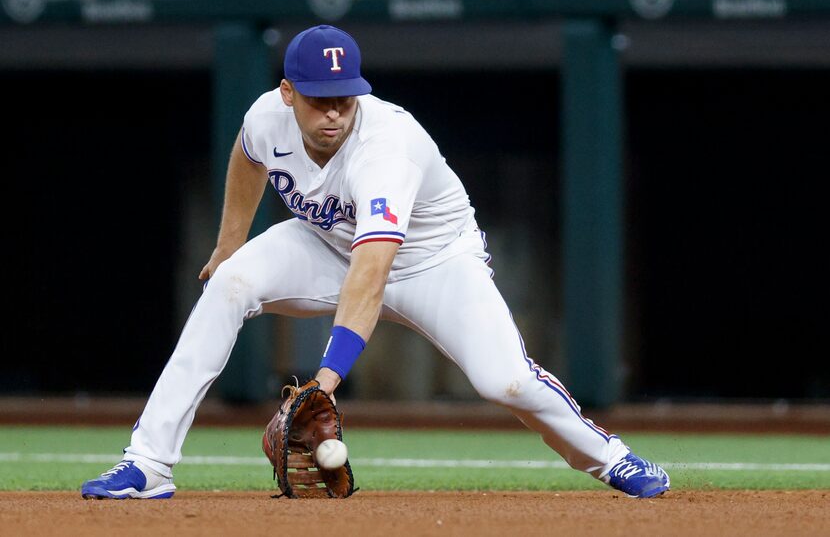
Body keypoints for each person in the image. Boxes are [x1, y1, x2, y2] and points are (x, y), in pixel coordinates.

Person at [81, 24, 670, 500]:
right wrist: (229, 242)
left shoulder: (386, 147)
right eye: (319, 99)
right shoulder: (268, 116)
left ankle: (612, 459)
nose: (335, 112)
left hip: (435, 261)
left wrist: (326, 382)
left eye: (345, 97)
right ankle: (149, 464)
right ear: (289, 93)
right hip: (326, 244)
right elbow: (246, 155)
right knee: (229, 285)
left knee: (505, 379)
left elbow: (373, 274)